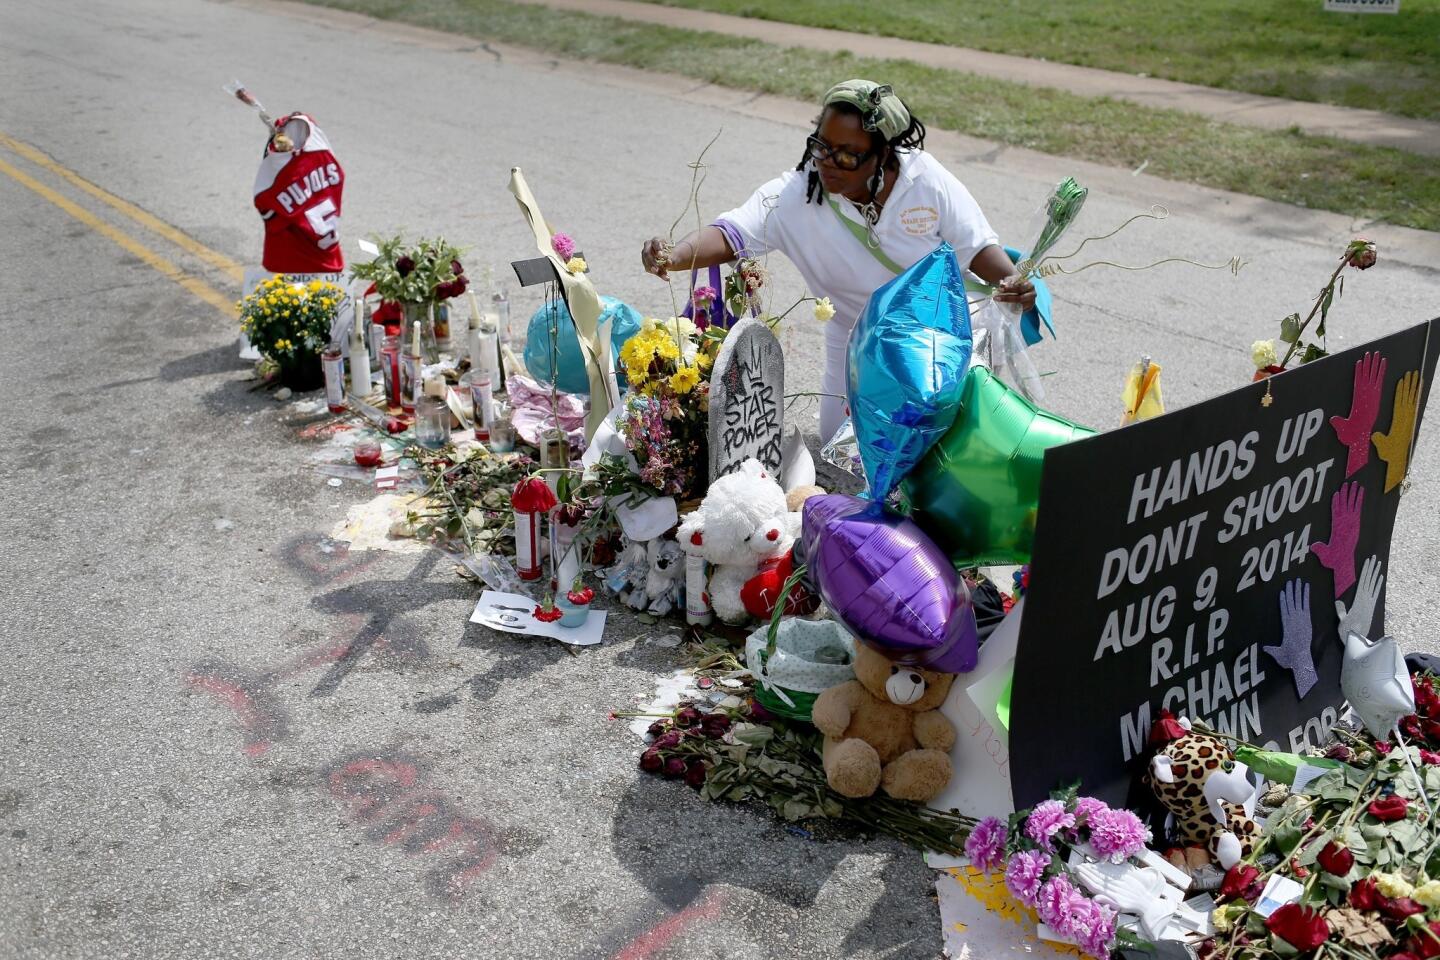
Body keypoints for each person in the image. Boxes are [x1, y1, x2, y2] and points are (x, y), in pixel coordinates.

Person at [641, 79, 1036, 442]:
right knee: (838, 441)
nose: (828, 162)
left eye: (849, 156)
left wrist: (1012, 282)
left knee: (940, 442)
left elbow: (978, 248)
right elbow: (732, 232)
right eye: (822, 147)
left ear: (884, 154)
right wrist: (673, 255)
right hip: (853, 334)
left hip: (936, 333)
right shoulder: (798, 196)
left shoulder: (926, 181)